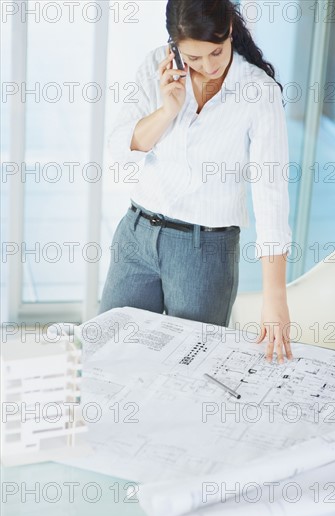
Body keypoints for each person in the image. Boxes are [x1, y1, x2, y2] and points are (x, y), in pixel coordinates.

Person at [99, 0, 294, 364]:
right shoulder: (155, 65)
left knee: (190, 369)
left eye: (216, 52)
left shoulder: (258, 91)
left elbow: (271, 194)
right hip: (137, 236)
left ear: (230, 32)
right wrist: (168, 110)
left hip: (205, 253)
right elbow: (120, 148)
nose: (208, 66)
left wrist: (275, 296)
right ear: (175, 46)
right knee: (109, 357)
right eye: (193, 58)